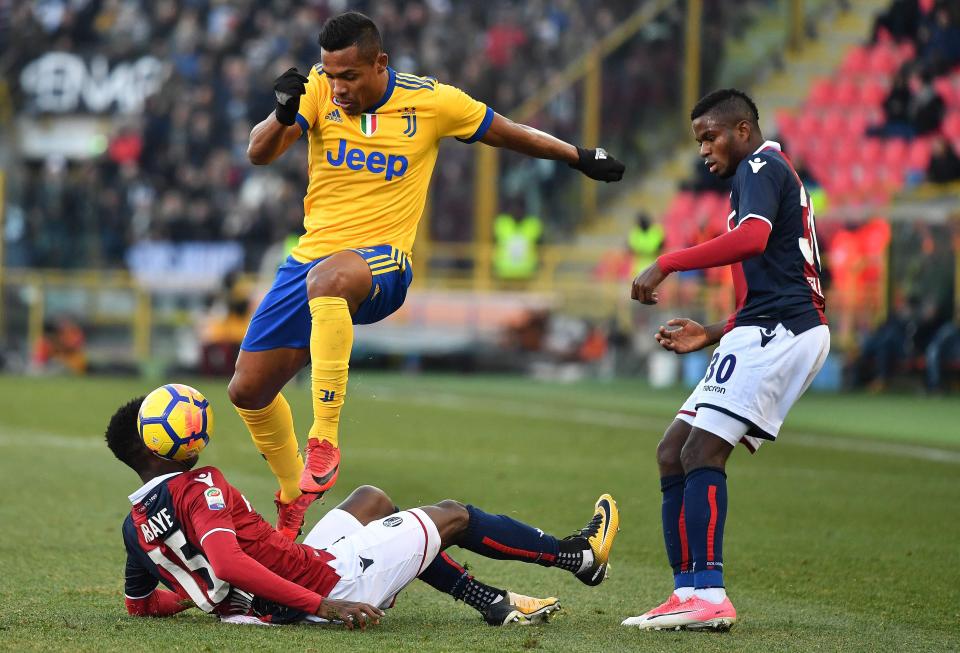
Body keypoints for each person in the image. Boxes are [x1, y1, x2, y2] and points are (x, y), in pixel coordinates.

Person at [229, 11, 625, 538]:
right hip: (309, 261)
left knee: (329, 281)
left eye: (349, 75)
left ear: (380, 63)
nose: (338, 86)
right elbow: (259, 153)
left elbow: (506, 132)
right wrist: (281, 113)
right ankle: (291, 497)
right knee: (247, 392)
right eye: (330, 73)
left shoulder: (432, 101)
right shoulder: (316, 90)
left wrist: (577, 156)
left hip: (382, 262)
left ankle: (324, 437)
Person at [106, 396, 620, 628]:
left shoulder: (134, 527)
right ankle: (577, 556)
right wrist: (321, 605)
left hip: (286, 577)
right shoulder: (201, 487)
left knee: (371, 500)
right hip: (327, 585)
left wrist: (213, 603)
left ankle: (491, 602)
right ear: (156, 446)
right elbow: (227, 563)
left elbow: (142, 605)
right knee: (454, 515)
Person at [623, 89, 830, 631]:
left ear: (743, 130)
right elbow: (769, 274)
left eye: (710, 136)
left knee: (702, 450)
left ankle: (709, 593)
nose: (703, 150)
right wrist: (713, 332)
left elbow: (754, 240)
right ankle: (687, 592)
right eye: (698, 141)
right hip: (760, 327)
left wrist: (667, 262)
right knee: (674, 450)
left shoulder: (761, 164)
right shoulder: (752, 177)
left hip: (784, 331)